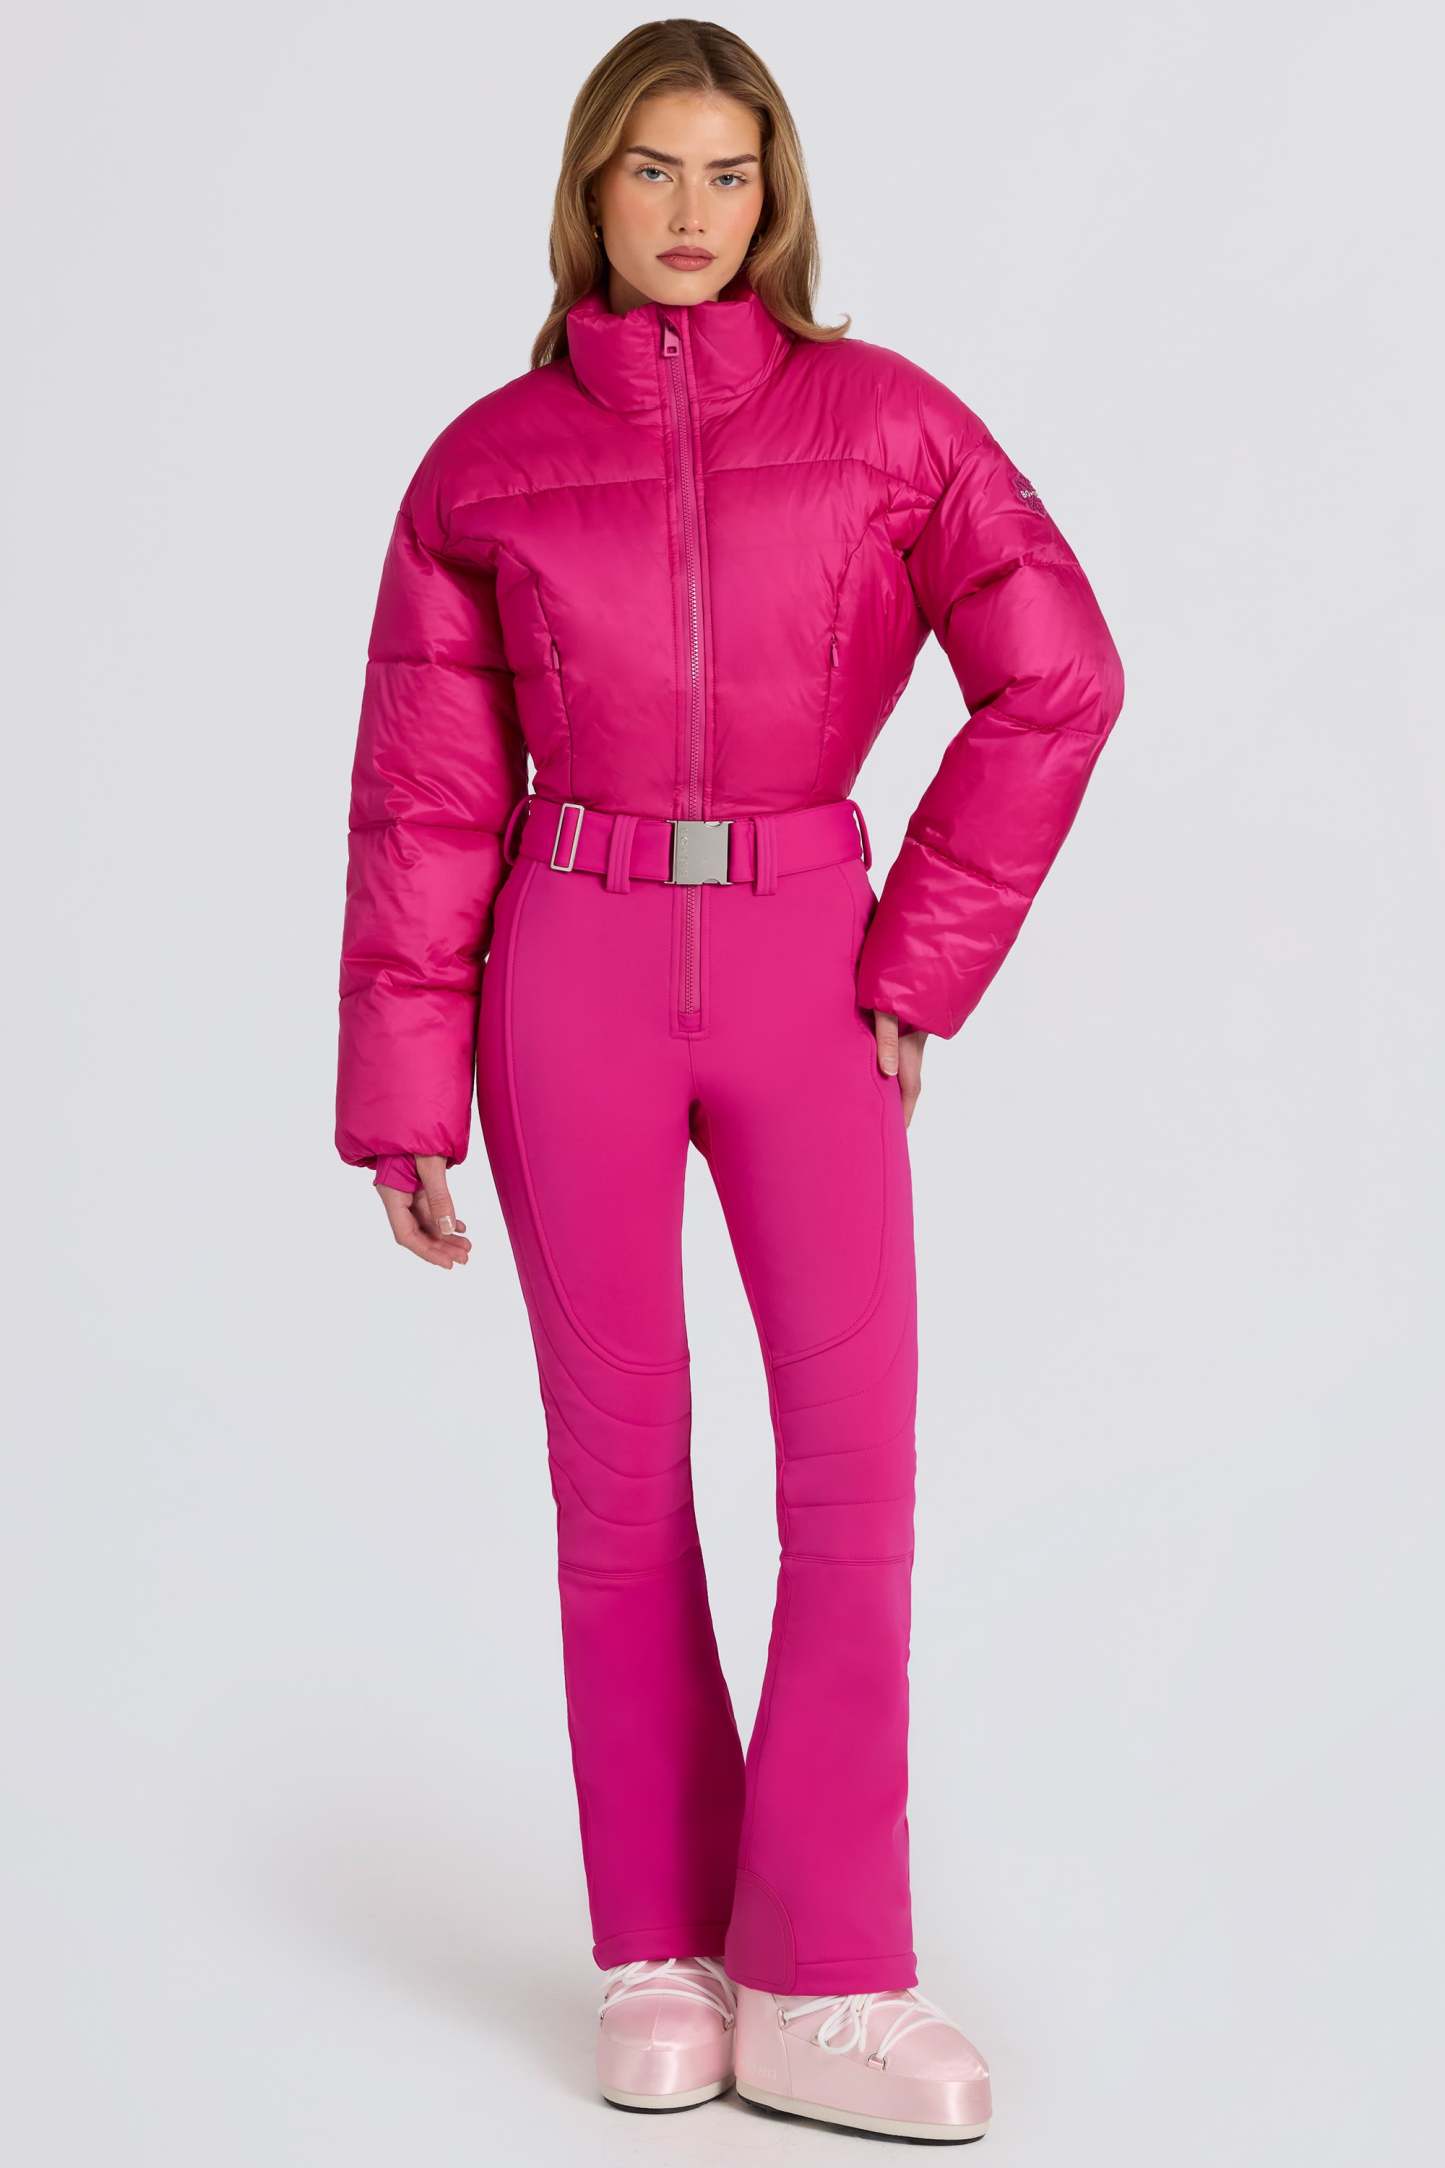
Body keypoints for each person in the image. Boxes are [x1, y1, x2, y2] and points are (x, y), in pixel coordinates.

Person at [334, 19, 1123, 2144]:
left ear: (777, 197)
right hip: (566, 961)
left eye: (729, 172)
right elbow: (426, 792)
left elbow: (1059, 674)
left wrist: (918, 964)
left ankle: (831, 1973)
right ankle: (659, 1952)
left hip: (803, 962)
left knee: (851, 1472)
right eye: (651, 171)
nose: (691, 213)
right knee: (619, 1476)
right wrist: (404, 1088)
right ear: (588, 191)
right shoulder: (484, 464)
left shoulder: (888, 425)